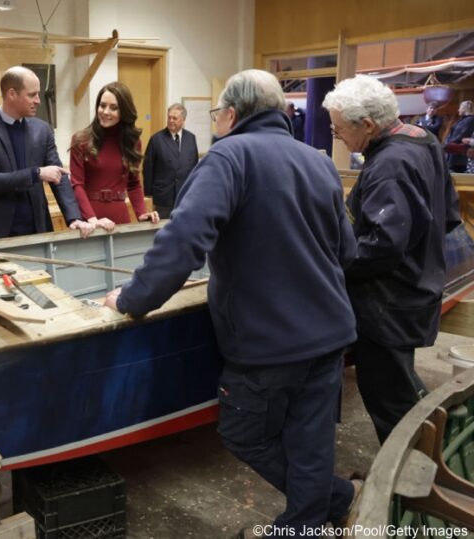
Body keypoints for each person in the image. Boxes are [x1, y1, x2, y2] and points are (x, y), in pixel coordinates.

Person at [105, 69, 359, 538]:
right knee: (311, 442)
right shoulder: (319, 161)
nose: (215, 121)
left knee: (244, 434)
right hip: (328, 334)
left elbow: (183, 240)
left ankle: (321, 510)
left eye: (216, 114)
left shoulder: (228, 157)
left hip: (267, 342)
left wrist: (133, 299)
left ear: (232, 114)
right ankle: (322, 509)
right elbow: (347, 251)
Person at [323, 75, 461, 444]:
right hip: (418, 286)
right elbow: (449, 215)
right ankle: (431, 456)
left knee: (391, 402)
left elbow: (382, 245)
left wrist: (331, 264)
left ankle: (410, 485)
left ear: (366, 125)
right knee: (402, 385)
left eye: (338, 130)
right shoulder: (423, 139)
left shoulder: (390, 164)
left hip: (387, 304)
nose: (337, 136)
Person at [0, 66, 93, 240]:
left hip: (37, 227)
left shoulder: (42, 130)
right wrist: (36, 173)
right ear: (12, 94)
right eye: (32, 95)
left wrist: (74, 217)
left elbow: (59, 175)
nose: (38, 101)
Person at [69, 82, 160, 232]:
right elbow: (77, 185)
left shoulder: (132, 142)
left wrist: (142, 214)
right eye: (102, 105)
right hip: (89, 221)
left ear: (124, 111)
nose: (105, 111)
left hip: (120, 219)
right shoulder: (81, 140)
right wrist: (93, 220)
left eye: (114, 107)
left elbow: (133, 184)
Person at [142, 103, 199, 219]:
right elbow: (148, 168)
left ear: (183, 120)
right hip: (163, 197)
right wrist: (148, 195)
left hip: (185, 197)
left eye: (175, 118)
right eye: (169, 117)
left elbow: (194, 166)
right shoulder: (156, 139)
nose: (171, 120)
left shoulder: (191, 138)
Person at [443, 100, 474, 173]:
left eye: (460, 108)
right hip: (452, 151)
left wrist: (450, 143)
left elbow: (463, 134)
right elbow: (452, 132)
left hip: (459, 155)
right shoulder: (462, 120)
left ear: (465, 108)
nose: (458, 110)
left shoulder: (471, 120)